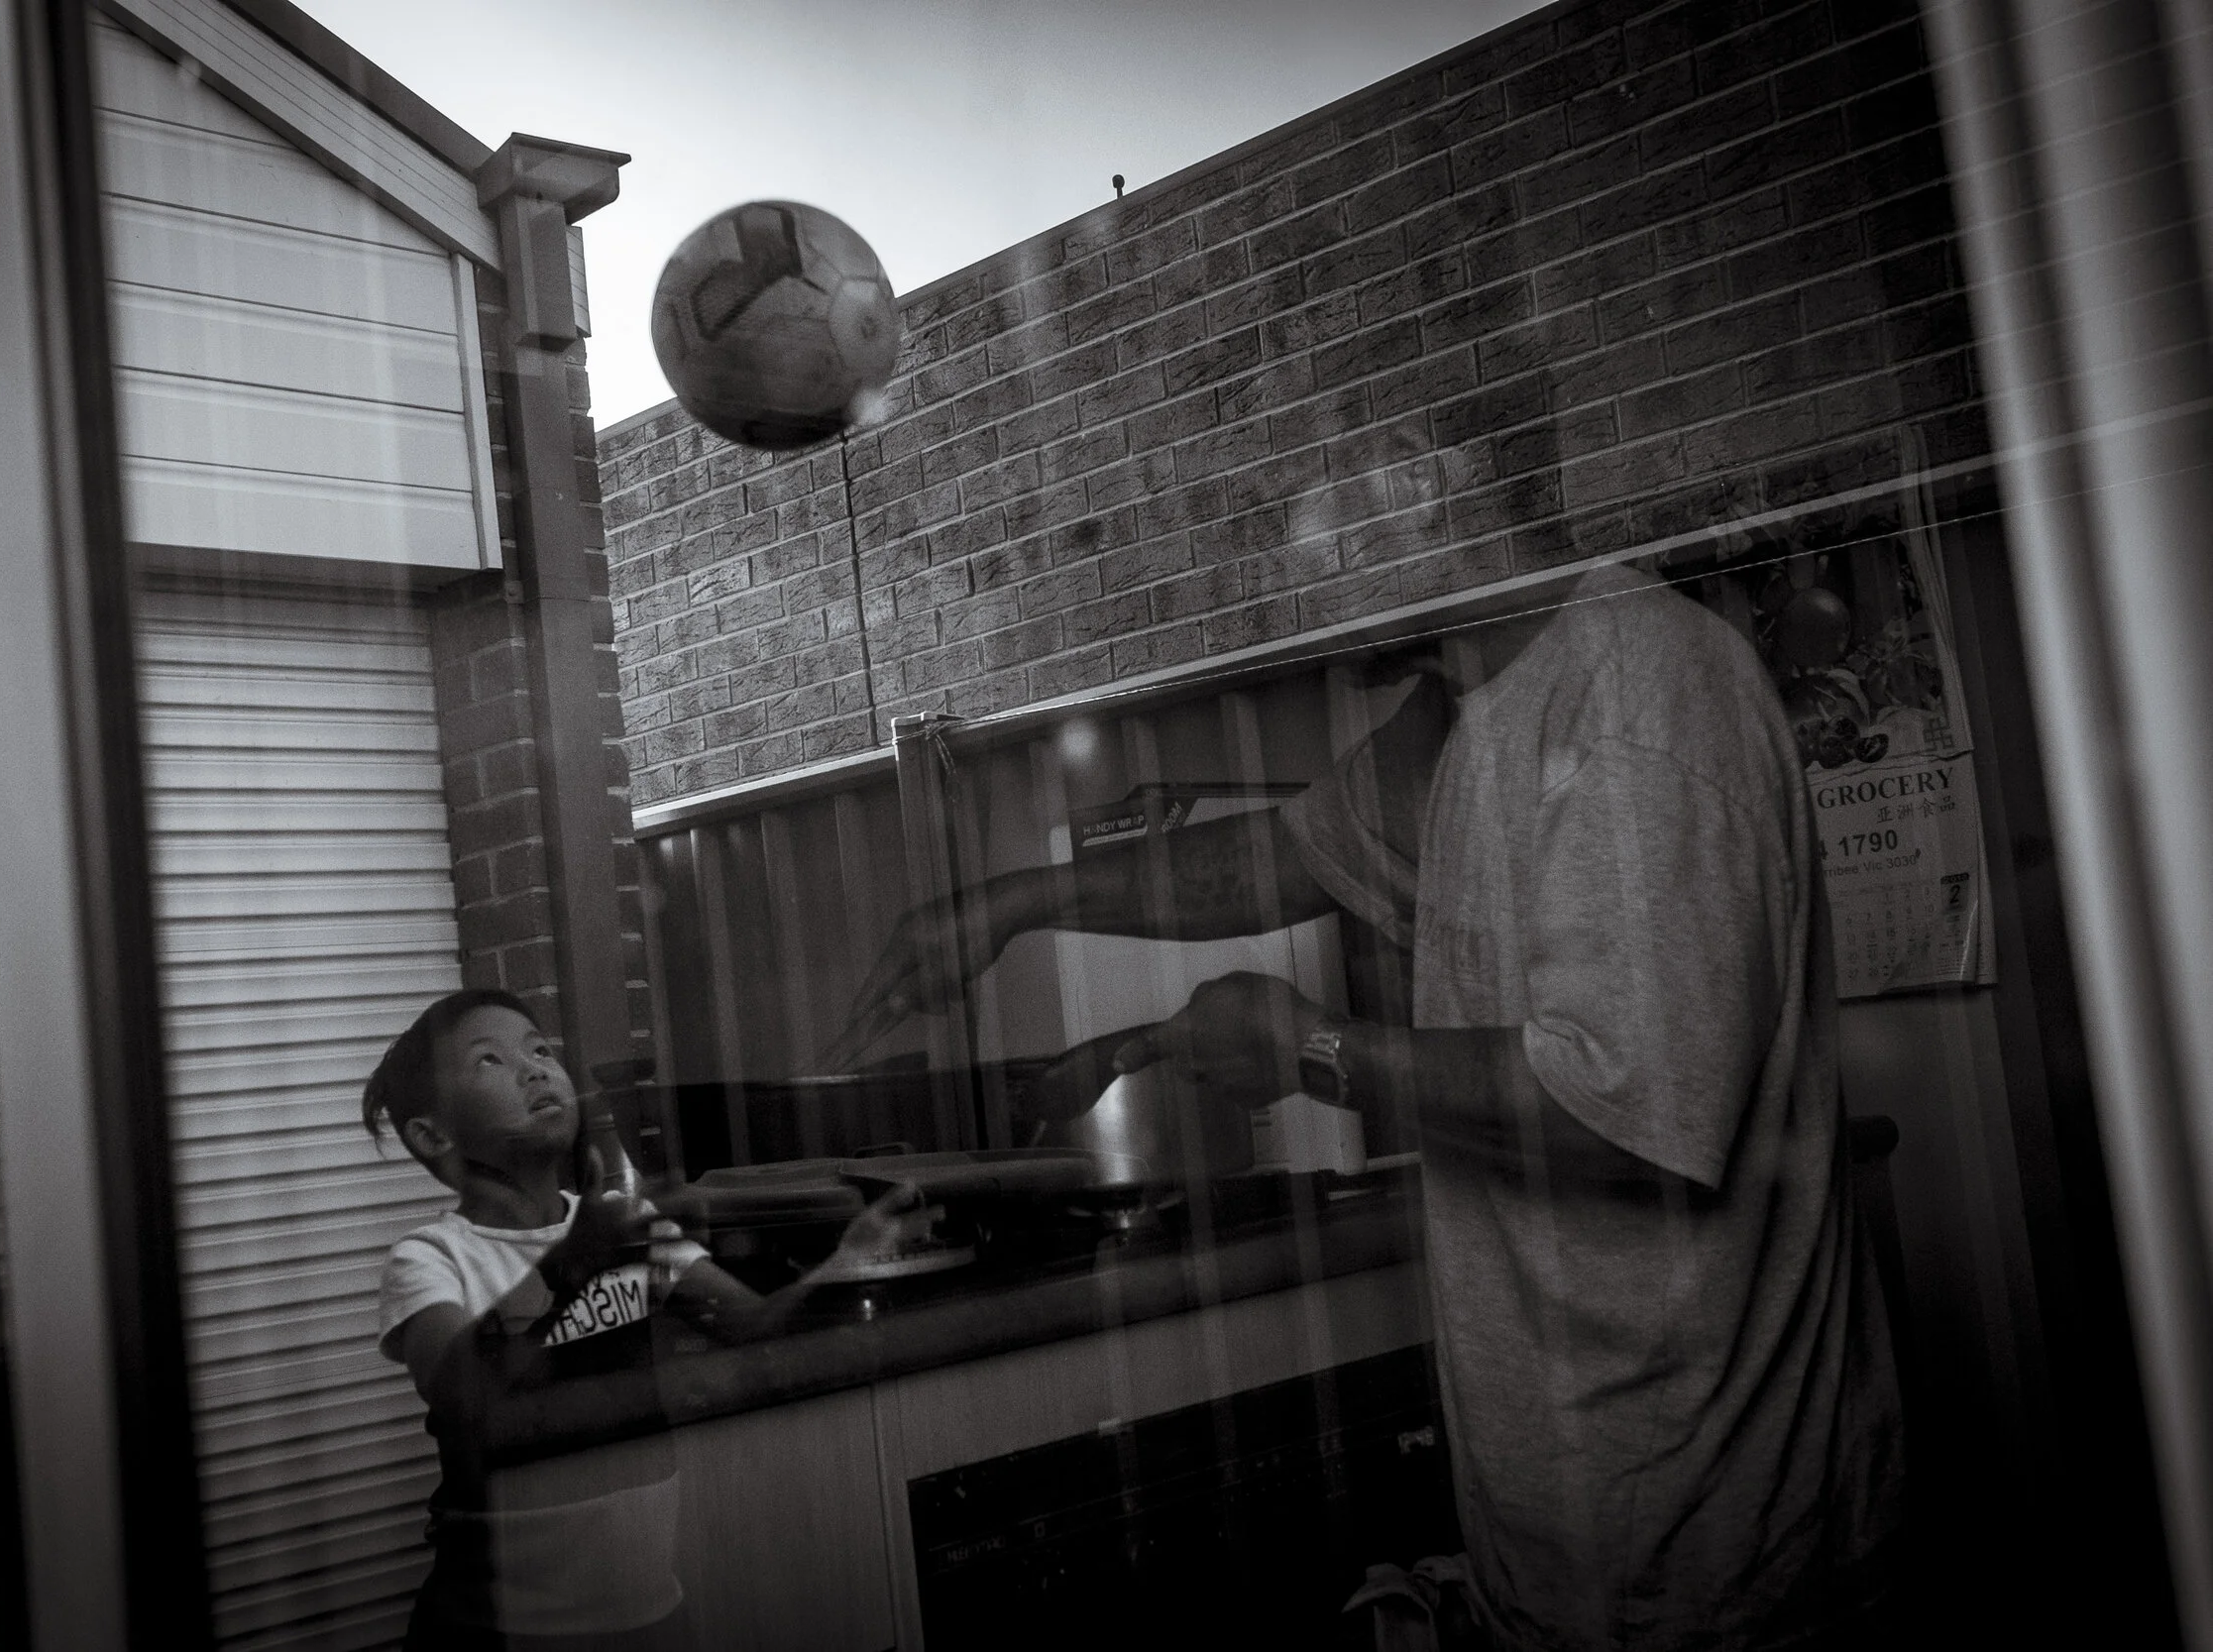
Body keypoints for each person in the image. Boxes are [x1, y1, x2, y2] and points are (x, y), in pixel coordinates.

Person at [830, 562, 1905, 1651]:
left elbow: (1615, 1106)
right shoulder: (1458, 713)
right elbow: (1283, 858)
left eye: (1310, 509)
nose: (1291, 574)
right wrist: (1019, 902)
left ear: (1415, 486)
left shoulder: (1644, 698)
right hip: (1562, 1562)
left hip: (1727, 1570)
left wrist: (1313, 1048)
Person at [367, 987, 928, 1652]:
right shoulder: (433, 1257)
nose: (534, 1068)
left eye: (540, 1049)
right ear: (433, 1133)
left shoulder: (621, 1229)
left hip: (648, 1611)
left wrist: (847, 1259)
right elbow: (465, 1399)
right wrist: (581, 1258)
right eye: (489, 1061)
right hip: (498, 1628)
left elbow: (754, 1326)